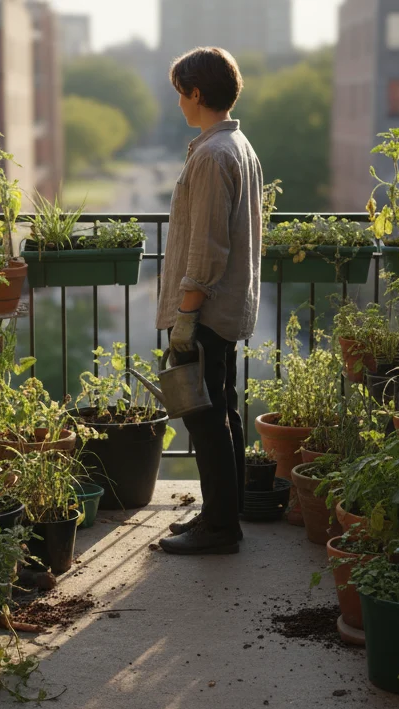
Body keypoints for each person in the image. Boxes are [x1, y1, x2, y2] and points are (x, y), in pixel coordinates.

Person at [156, 47, 263, 556]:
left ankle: (220, 529)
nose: (178, 100)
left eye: (181, 90)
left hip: (205, 311)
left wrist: (184, 317)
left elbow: (206, 249)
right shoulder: (236, 145)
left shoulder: (214, 155)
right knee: (224, 411)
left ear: (196, 92)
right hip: (225, 308)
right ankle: (225, 511)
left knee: (205, 416)